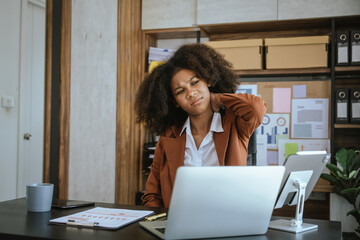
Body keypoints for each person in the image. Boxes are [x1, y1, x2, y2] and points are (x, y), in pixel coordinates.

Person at [135, 43, 267, 208]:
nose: (190, 93)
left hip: (226, 218)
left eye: (195, 82)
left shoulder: (234, 126)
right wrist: (160, 223)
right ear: (175, 103)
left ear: (208, 80)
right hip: (180, 221)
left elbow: (256, 108)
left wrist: (218, 99)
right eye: (180, 91)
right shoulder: (168, 136)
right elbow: (153, 194)